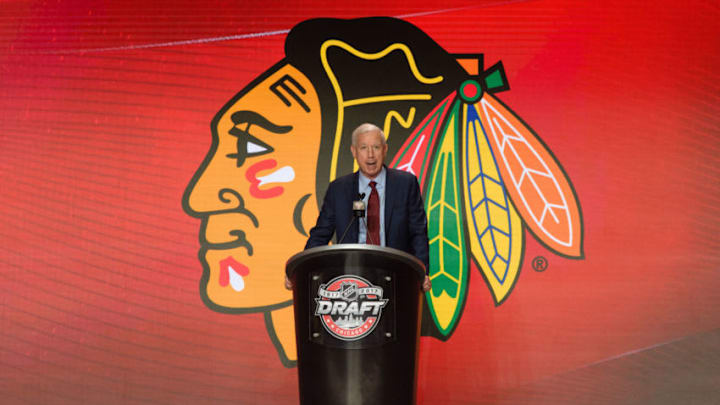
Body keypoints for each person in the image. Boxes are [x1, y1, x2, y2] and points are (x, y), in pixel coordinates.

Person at [288, 123, 431, 292]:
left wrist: (422, 272)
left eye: (376, 147)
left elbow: (418, 233)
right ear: (354, 151)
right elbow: (320, 235)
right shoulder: (338, 189)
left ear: (385, 150)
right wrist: (299, 269)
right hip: (351, 279)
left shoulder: (406, 184)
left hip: (397, 276)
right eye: (364, 148)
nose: (370, 155)